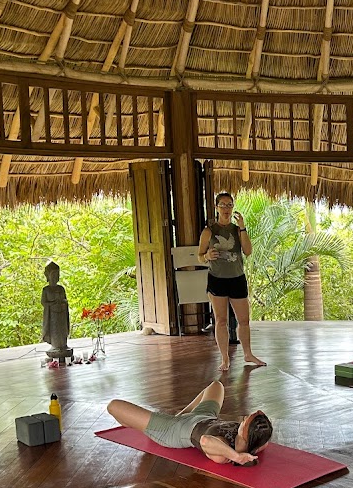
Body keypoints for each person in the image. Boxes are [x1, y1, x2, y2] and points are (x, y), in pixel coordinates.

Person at [106, 380, 272, 466]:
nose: (243, 418)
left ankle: (139, 424)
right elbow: (264, 442)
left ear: (246, 434)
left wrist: (237, 456)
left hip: (173, 429)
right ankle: (180, 415)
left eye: (245, 421)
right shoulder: (256, 441)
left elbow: (205, 441)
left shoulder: (223, 453)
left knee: (114, 406)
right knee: (216, 385)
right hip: (205, 415)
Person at [198, 192, 265, 371]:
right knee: (221, 321)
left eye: (229, 205)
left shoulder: (237, 230)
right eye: (222, 205)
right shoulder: (209, 231)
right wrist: (207, 256)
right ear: (216, 207)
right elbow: (199, 256)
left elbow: (248, 251)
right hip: (217, 279)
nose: (226, 208)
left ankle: (248, 354)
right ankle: (225, 358)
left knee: (244, 320)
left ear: (233, 207)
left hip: (237, 278)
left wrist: (242, 227)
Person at [41, 261, 72, 359]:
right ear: (48, 276)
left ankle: (63, 346)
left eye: (57, 275)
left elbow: (65, 300)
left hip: (61, 315)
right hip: (52, 317)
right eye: (53, 275)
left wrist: (63, 303)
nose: (55, 277)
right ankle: (55, 347)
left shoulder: (61, 289)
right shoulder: (46, 290)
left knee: (62, 331)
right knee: (55, 332)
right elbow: (43, 302)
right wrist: (53, 304)